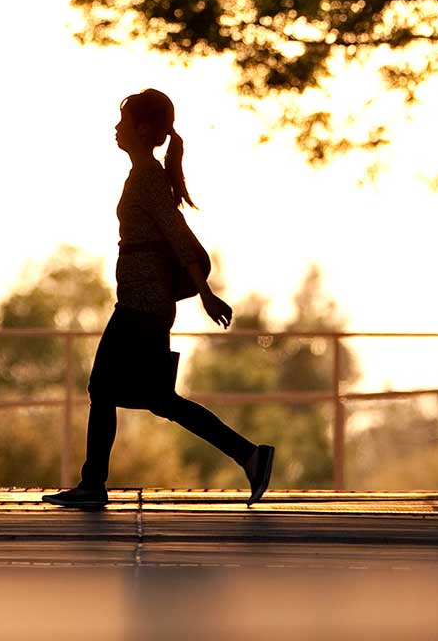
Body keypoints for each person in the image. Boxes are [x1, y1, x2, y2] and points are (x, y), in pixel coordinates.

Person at [43, 88, 275, 508]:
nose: (116, 128)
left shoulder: (148, 177)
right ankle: (251, 456)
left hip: (142, 306)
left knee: (102, 388)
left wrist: (205, 292)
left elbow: (177, 233)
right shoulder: (143, 175)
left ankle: (93, 485)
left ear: (144, 128)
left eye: (124, 121)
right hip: (142, 302)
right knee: (158, 400)